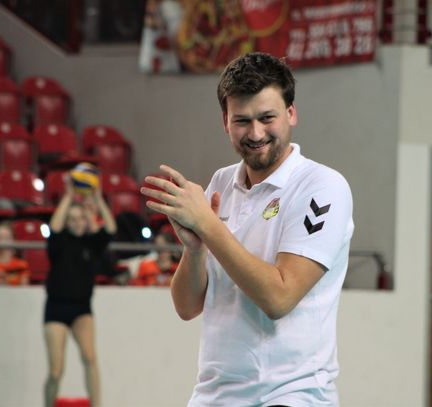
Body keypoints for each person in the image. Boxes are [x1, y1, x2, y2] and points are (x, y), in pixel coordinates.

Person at [141, 52, 354, 406]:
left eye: (267, 118)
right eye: (242, 120)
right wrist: (194, 249)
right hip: (215, 393)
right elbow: (187, 307)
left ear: (291, 113)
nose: (256, 133)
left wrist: (208, 226)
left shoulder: (322, 187)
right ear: (226, 122)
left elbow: (279, 298)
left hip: (293, 394)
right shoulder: (221, 183)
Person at [43, 177, 117, 407]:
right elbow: (54, 227)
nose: (76, 222)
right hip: (56, 309)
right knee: (56, 371)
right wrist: (68, 196)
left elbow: (111, 229)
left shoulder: (91, 243)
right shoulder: (59, 242)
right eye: (72, 219)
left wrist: (98, 198)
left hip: (81, 309)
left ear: (86, 220)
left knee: (90, 357)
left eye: (80, 218)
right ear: (67, 221)